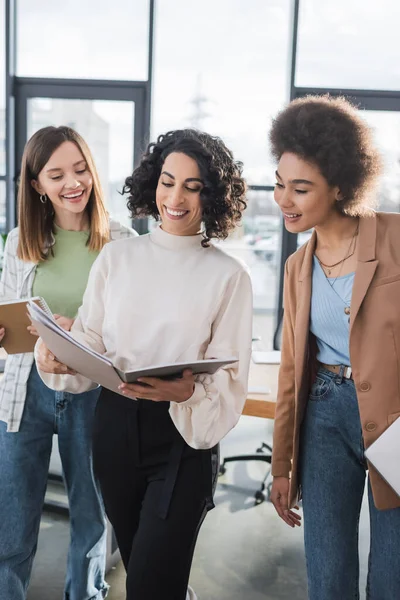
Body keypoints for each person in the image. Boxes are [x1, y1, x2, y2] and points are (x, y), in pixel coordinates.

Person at [35, 128, 253, 600]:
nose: (175, 197)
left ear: (211, 196)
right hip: (113, 429)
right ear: (153, 182)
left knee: (151, 584)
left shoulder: (229, 276)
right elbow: (91, 342)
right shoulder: (118, 257)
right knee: (146, 571)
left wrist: (188, 392)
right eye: (167, 181)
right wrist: (58, 356)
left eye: (192, 187)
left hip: (182, 438)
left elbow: (233, 379)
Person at [268, 95, 400, 599]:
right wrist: (282, 467)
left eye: (301, 189)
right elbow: (290, 372)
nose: (284, 200)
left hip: (392, 416)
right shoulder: (296, 269)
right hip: (322, 414)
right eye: (281, 184)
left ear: (341, 186)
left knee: (391, 576)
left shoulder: (393, 237)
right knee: (327, 575)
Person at [0, 125, 136, 600]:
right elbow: (8, 320)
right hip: (25, 394)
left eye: (80, 170)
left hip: (93, 395)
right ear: (37, 185)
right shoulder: (19, 241)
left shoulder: (121, 242)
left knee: (89, 516)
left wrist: (77, 331)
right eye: (56, 175)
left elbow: (132, 329)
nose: (72, 183)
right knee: (12, 521)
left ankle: (86, 594)